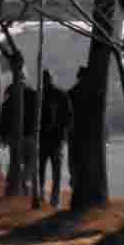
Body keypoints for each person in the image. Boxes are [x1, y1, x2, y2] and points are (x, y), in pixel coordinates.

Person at [38, 69, 71, 207]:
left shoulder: (39, 95)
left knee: (42, 169)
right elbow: (68, 116)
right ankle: (53, 200)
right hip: (54, 139)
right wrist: (64, 133)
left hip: (45, 138)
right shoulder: (61, 95)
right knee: (54, 170)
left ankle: (43, 197)